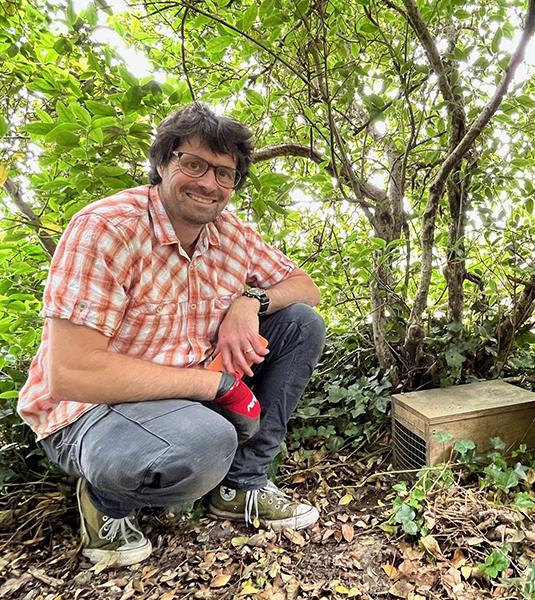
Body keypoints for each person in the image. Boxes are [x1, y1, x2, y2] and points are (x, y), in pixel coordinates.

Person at [16, 103, 326, 567]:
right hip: (90, 409)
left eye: (225, 173)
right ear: (162, 163)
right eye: (193, 163)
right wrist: (216, 387)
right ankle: (105, 506)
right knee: (208, 441)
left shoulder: (231, 233)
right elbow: (71, 374)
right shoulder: (107, 228)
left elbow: (307, 288)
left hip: (180, 394)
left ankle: (242, 486)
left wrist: (250, 303)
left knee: (301, 322)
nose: (209, 183)